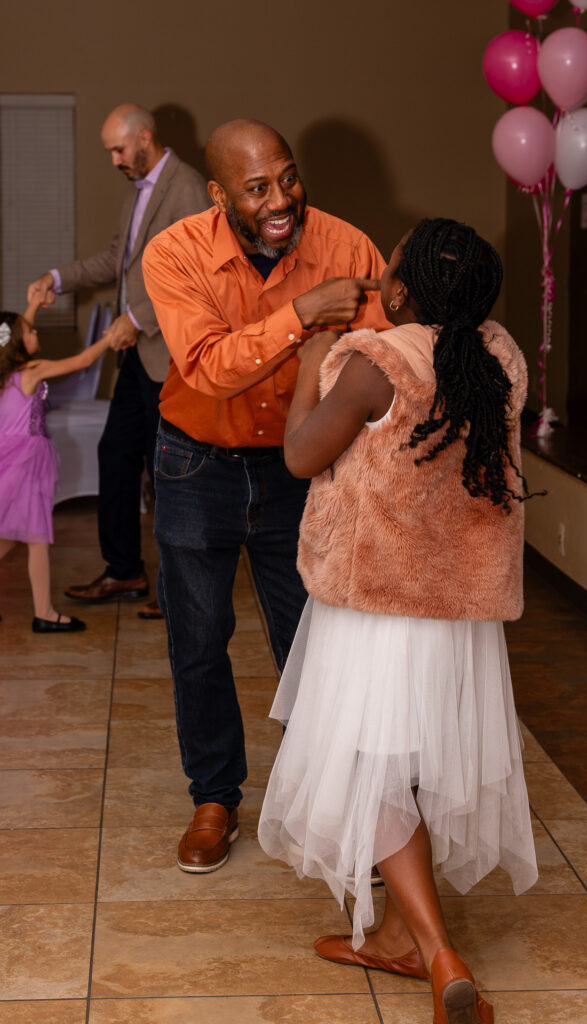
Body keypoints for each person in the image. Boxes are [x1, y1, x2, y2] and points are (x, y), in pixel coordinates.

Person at [258, 218, 539, 1024]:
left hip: (377, 606)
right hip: (456, 612)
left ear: (399, 292)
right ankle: (389, 934)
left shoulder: (375, 365)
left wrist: (314, 364)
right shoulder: (498, 359)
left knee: (369, 766)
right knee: (407, 765)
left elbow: (302, 457)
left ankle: (432, 946)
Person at [141, 118, 390, 873]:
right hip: (194, 466)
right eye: (257, 188)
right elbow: (210, 366)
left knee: (313, 644)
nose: (281, 199)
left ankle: (330, 799)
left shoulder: (348, 247)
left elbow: (380, 356)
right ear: (218, 195)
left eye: (287, 177)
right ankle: (214, 797)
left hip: (300, 473)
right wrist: (304, 316)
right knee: (198, 638)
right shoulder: (174, 252)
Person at [26, 103, 210, 620]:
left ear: (145, 138)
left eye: (118, 149)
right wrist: (56, 279)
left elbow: (198, 277)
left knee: (168, 472)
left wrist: (138, 317)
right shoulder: (139, 190)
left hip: (171, 354)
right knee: (116, 453)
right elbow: (116, 261)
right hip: (138, 356)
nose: (113, 159)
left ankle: (180, 592)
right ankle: (124, 569)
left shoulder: (188, 188)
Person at [0, 295, 115, 632]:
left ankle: (44, 611)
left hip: (8, 458)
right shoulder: (32, 371)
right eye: (32, 331)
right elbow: (81, 362)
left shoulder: (5, 373)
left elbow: (14, 329)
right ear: (20, 343)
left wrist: (33, 304)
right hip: (26, 462)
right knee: (36, 537)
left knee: (7, 535)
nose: (37, 333)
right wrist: (111, 337)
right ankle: (44, 613)